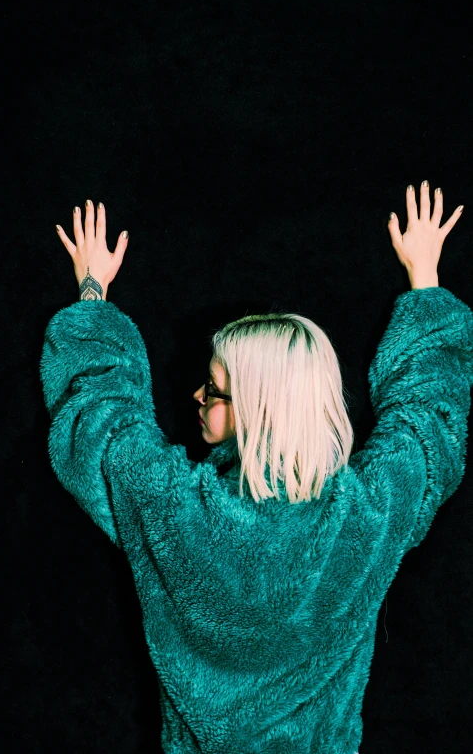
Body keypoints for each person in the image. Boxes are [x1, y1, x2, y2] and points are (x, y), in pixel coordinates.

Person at [41, 180, 470, 754]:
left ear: (261, 407)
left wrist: (92, 292)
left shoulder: (175, 510)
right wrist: (424, 278)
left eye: (215, 390)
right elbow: (429, 425)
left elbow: (100, 423)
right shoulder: (365, 515)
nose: (196, 394)